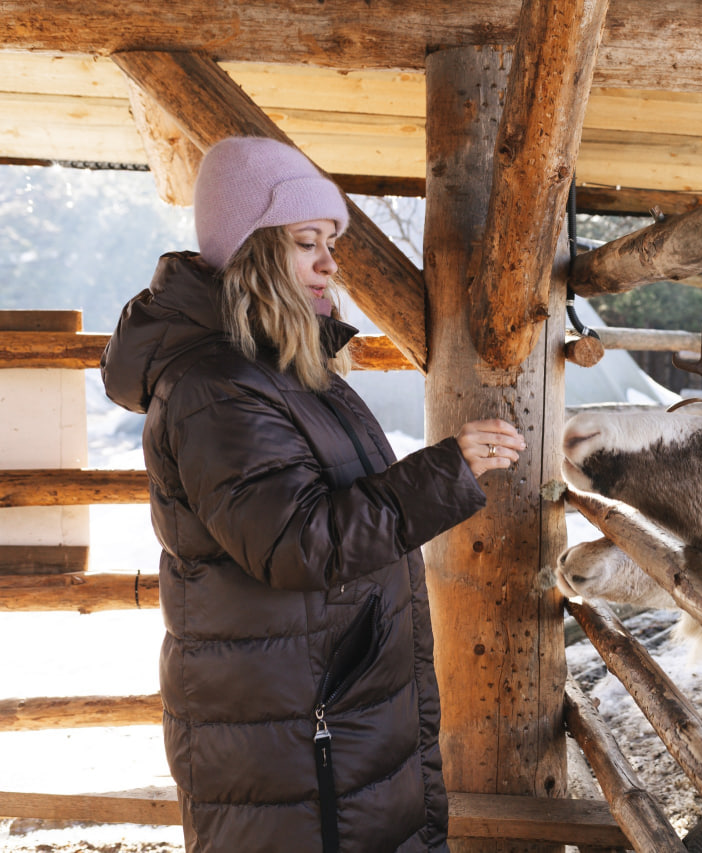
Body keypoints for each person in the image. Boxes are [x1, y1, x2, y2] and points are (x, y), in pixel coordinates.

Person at [100, 136, 525, 852]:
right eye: (307, 242)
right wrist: (445, 472)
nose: (331, 261)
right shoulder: (217, 390)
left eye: (330, 241)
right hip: (297, 740)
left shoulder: (282, 373)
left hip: (327, 717)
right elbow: (299, 543)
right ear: (253, 254)